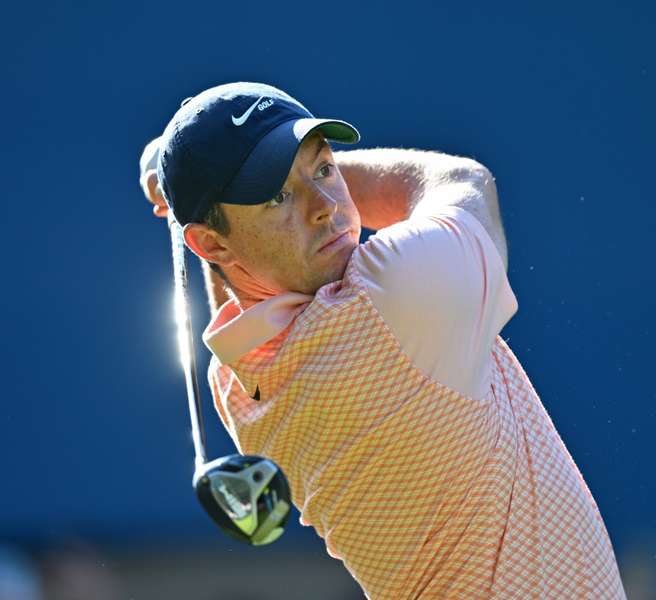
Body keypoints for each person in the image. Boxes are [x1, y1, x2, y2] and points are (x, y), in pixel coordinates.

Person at [144, 81, 626, 598]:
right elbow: (464, 180)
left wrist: (198, 192)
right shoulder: (392, 296)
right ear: (211, 240)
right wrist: (285, 169)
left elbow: (239, 277)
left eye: (325, 169)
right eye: (280, 196)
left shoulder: (240, 390)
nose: (325, 205)